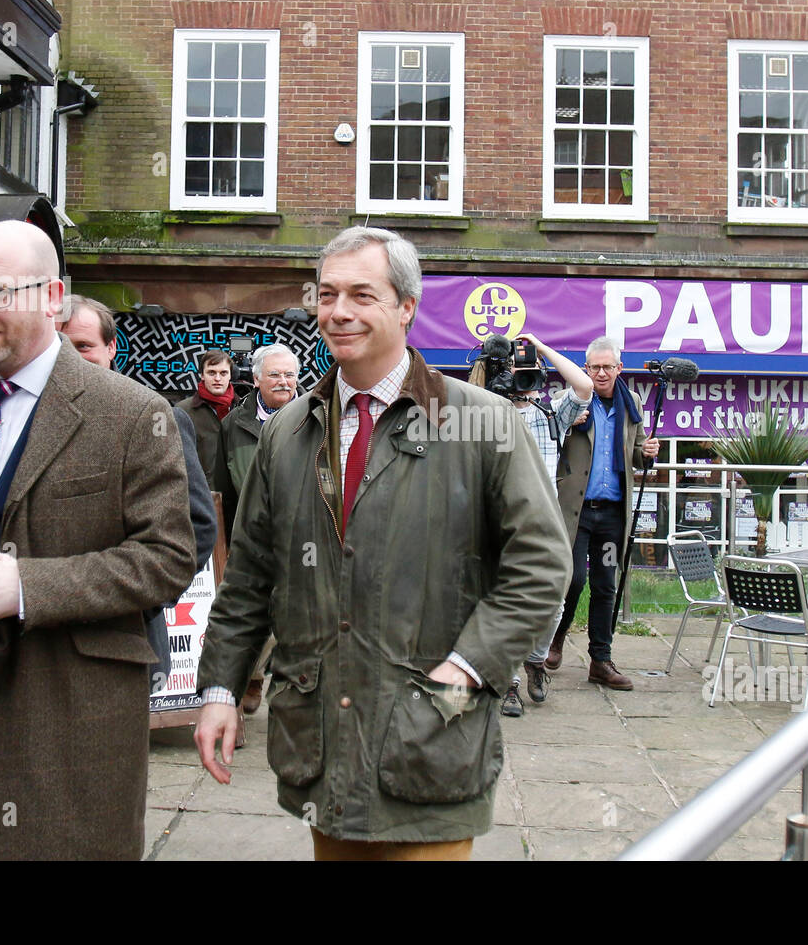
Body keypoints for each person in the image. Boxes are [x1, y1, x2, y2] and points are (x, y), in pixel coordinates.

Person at [192, 226, 570, 860]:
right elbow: (251, 576)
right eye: (328, 294)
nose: (339, 311)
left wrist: (466, 674)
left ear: (406, 307)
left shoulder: (482, 422)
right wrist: (221, 690)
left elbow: (541, 565)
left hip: (432, 754)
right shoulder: (288, 433)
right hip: (322, 746)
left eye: (362, 295)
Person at [0, 220, 197, 859]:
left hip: (65, 724)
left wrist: (29, 587)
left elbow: (168, 559)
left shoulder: (133, 414)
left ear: (53, 296)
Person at [57, 294, 217, 693]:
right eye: (60, 345)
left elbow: (197, 526)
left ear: (111, 348)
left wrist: (141, 602)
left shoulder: (155, 416)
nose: (71, 358)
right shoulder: (28, 419)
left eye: (84, 346)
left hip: (126, 644)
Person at [466, 332, 589, 717]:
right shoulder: (483, 413)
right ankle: (509, 683)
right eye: (518, 373)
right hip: (498, 522)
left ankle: (536, 661)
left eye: (531, 374)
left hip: (544, 521)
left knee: (554, 600)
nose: (525, 380)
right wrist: (493, 382)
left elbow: (584, 386)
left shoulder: (551, 414)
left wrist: (540, 349)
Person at [546, 336, 660, 691]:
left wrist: (648, 451)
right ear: (585, 369)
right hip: (576, 512)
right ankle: (556, 638)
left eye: (607, 367)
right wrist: (568, 422)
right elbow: (550, 440)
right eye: (594, 367)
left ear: (619, 368)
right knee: (574, 578)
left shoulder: (632, 403)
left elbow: (638, 455)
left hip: (611, 515)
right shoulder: (570, 400)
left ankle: (600, 659)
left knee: (605, 584)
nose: (600, 373)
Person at [219, 342, 301, 713]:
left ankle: (277, 678)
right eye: (275, 375)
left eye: (289, 374)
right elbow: (220, 485)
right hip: (253, 536)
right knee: (252, 610)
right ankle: (250, 677)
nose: (284, 382)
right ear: (255, 379)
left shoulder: (317, 417)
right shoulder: (233, 426)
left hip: (304, 535)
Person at [176, 349, 236, 529]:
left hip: (237, 501)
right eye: (212, 372)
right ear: (202, 375)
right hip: (198, 503)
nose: (218, 378)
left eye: (223, 373)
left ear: (230, 376)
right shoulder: (182, 411)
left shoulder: (244, 410)